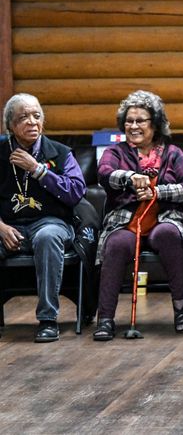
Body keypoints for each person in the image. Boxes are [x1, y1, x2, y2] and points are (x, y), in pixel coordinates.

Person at [93, 91, 183, 340]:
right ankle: (105, 319)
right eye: (129, 121)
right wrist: (129, 178)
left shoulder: (172, 153)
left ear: (155, 124)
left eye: (140, 120)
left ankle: (181, 309)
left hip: (164, 219)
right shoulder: (116, 152)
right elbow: (103, 173)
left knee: (169, 235)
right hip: (125, 222)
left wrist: (157, 191)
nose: (133, 126)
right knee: (116, 244)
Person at [0, 94, 86, 342]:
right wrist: (1, 228)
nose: (32, 122)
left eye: (36, 116)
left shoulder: (59, 153)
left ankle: (48, 320)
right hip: (9, 225)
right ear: (11, 126)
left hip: (51, 223)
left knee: (47, 237)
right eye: (23, 117)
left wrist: (38, 170)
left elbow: (75, 193)